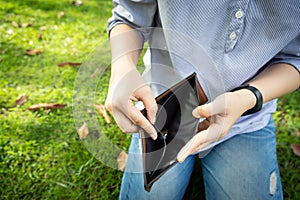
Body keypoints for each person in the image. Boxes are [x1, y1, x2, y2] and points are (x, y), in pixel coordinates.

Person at [105, 0, 300, 199]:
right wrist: (123, 69)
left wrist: (250, 97)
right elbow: (130, 15)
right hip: (161, 109)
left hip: (245, 118)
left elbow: (295, 58)